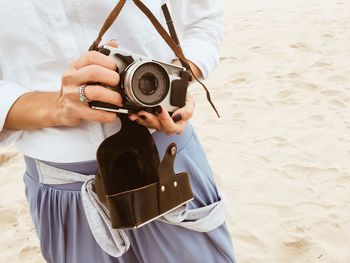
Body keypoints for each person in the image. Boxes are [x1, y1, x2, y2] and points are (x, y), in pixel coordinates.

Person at [0, 1, 236, 262]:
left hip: (169, 165)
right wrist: (57, 106)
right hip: (64, 192)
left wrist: (173, 82)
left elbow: (203, 20)